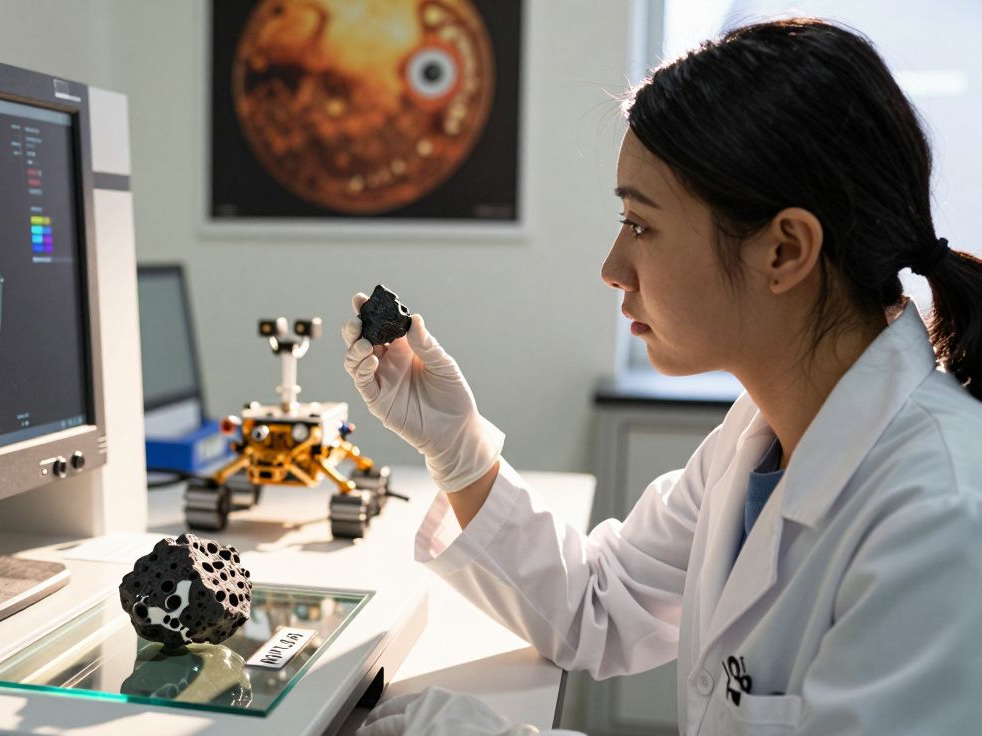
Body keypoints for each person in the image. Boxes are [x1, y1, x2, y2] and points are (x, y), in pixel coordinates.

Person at [346, 17, 982, 736]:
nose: (613, 268)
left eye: (641, 224)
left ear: (785, 250)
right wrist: (457, 449)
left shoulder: (939, 520)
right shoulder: (761, 433)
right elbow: (595, 604)